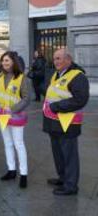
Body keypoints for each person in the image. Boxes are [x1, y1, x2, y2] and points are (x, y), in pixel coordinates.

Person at [43, 48, 89, 196]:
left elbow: (80, 100)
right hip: (54, 123)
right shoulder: (57, 74)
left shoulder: (77, 76)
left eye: (59, 58)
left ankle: (71, 186)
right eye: (55, 58)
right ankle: (62, 178)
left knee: (69, 156)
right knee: (58, 154)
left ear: (68, 60)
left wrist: (56, 106)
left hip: (68, 123)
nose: (56, 61)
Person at [0, 51, 31, 188]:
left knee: (18, 144)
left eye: (7, 60)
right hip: (2, 116)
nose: (4, 63)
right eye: (3, 61)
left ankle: (24, 174)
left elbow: (27, 98)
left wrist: (13, 109)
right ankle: (11, 170)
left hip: (16, 117)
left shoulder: (22, 78)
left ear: (14, 62)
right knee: (7, 143)